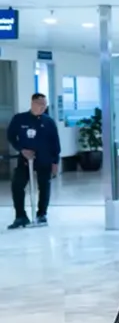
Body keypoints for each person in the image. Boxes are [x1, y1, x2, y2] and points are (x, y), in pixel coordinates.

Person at [7, 92, 59, 229]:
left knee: (44, 187)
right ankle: (20, 216)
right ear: (33, 103)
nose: (43, 107)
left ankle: (42, 214)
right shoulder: (20, 119)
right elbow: (11, 136)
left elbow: (55, 142)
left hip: (44, 159)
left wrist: (55, 162)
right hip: (25, 159)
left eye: (45, 105)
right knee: (17, 185)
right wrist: (22, 150)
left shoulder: (48, 122)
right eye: (40, 104)